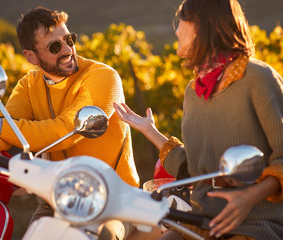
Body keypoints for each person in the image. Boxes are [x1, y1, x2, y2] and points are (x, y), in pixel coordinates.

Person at [0, 6, 139, 240]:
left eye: (69, 39)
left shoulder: (103, 77)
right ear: (31, 56)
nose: (67, 50)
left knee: (103, 236)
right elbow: (8, 119)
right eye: (54, 46)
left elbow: (65, 129)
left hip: (113, 200)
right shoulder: (29, 85)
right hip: (56, 201)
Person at [113, 0, 283, 239]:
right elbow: (194, 171)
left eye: (181, 21)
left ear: (201, 26)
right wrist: (149, 130)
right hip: (203, 223)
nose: (176, 30)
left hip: (254, 225)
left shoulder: (258, 78)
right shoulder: (194, 91)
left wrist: (250, 196)